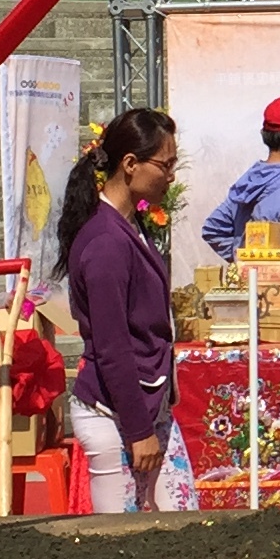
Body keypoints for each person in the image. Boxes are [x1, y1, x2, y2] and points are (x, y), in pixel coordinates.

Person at [59, 109, 199, 512]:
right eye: (165, 165)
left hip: (148, 408)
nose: (171, 175)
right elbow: (112, 346)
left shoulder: (130, 225)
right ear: (130, 164)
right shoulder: (106, 242)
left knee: (183, 523)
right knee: (121, 536)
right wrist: (138, 432)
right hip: (115, 415)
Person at [201, 96, 280, 295]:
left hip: (246, 299)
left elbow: (213, 229)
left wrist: (245, 262)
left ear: (264, 135)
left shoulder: (247, 183)